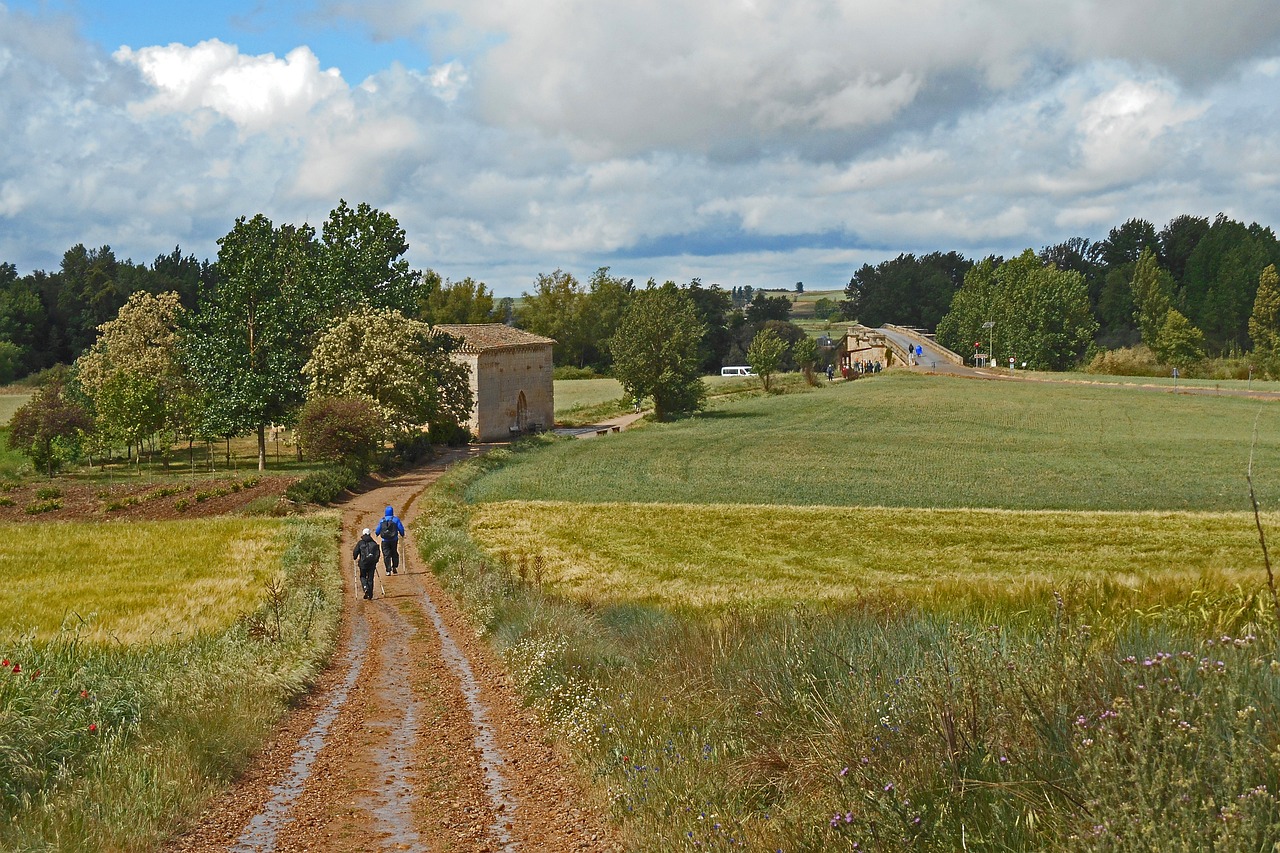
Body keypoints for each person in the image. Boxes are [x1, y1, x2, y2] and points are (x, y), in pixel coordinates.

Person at [376, 505, 406, 574]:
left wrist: (377, 534)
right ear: (392, 512)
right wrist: (402, 534)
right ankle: (394, 566)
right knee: (394, 553)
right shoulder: (395, 519)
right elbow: (400, 528)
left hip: (385, 540)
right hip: (394, 539)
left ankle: (388, 570)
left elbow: (377, 530)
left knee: (386, 555)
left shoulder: (382, 520)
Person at [352, 528, 380, 600]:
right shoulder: (374, 543)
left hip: (363, 564)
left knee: (363, 576)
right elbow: (377, 553)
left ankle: (365, 588)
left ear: (363, 534)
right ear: (370, 534)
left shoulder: (360, 543)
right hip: (372, 564)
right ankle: (370, 595)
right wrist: (375, 561)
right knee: (370, 579)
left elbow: (355, 552)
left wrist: (355, 557)